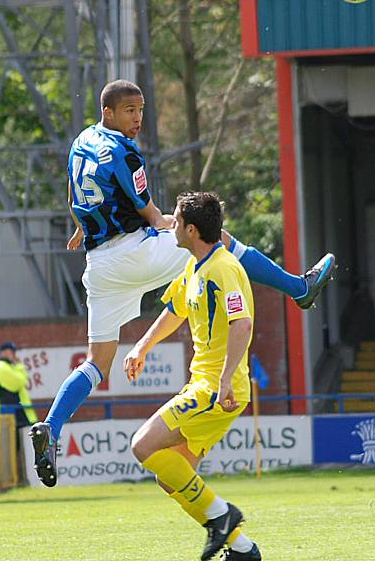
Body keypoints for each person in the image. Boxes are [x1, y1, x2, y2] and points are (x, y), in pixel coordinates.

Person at [29, 79, 335, 487]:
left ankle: (51, 428)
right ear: (108, 112)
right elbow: (154, 216)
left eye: (140, 110)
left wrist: (84, 225)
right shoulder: (125, 150)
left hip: (100, 264)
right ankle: (300, 288)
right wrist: (171, 223)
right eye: (129, 111)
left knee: (96, 362)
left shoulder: (82, 140)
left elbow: (74, 189)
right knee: (216, 238)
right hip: (134, 253)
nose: (137, 118)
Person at [124, 191, 260, 561]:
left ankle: (221, 515)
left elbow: (242, 323)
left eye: (178, 221)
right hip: (207, 384)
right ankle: (244, 549)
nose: (172, 225)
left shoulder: (223, 268)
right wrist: (142, 347)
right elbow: (175, 310)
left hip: (216, 389)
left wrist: (224, 379)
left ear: (192, 230)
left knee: (142, 445)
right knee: (171, 478)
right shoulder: (195, 267)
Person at [0, 342, 37, 438]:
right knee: (14, 450)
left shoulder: (8, 367)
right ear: (4, 353)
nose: (14, 356)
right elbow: (19, 382)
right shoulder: (0, 367)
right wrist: (19, 366)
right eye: (12, 352)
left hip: (15, 416)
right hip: (8, 418)